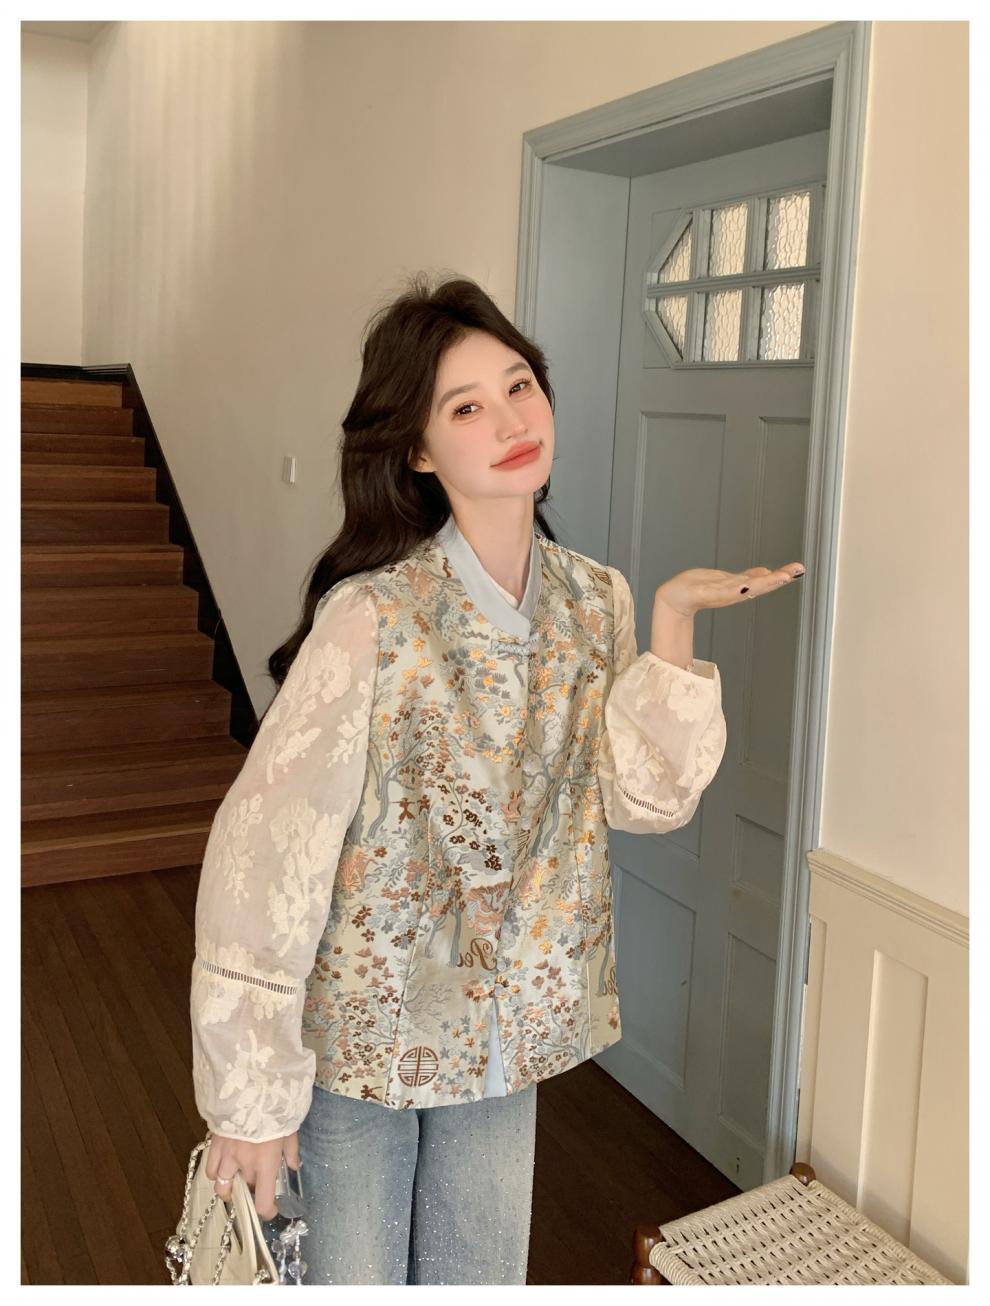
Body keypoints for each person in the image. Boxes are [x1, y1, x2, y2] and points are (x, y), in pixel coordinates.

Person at [189, 272, 805, 1285]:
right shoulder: (373, 617)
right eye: (467, 407)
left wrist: (672, 627)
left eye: (520, 386)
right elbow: (265, 858)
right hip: (362, 1039)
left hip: (506, 1036)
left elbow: (641, 802)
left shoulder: (597, 600)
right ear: (419, 451)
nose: (512, 420)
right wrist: (250, 1100)